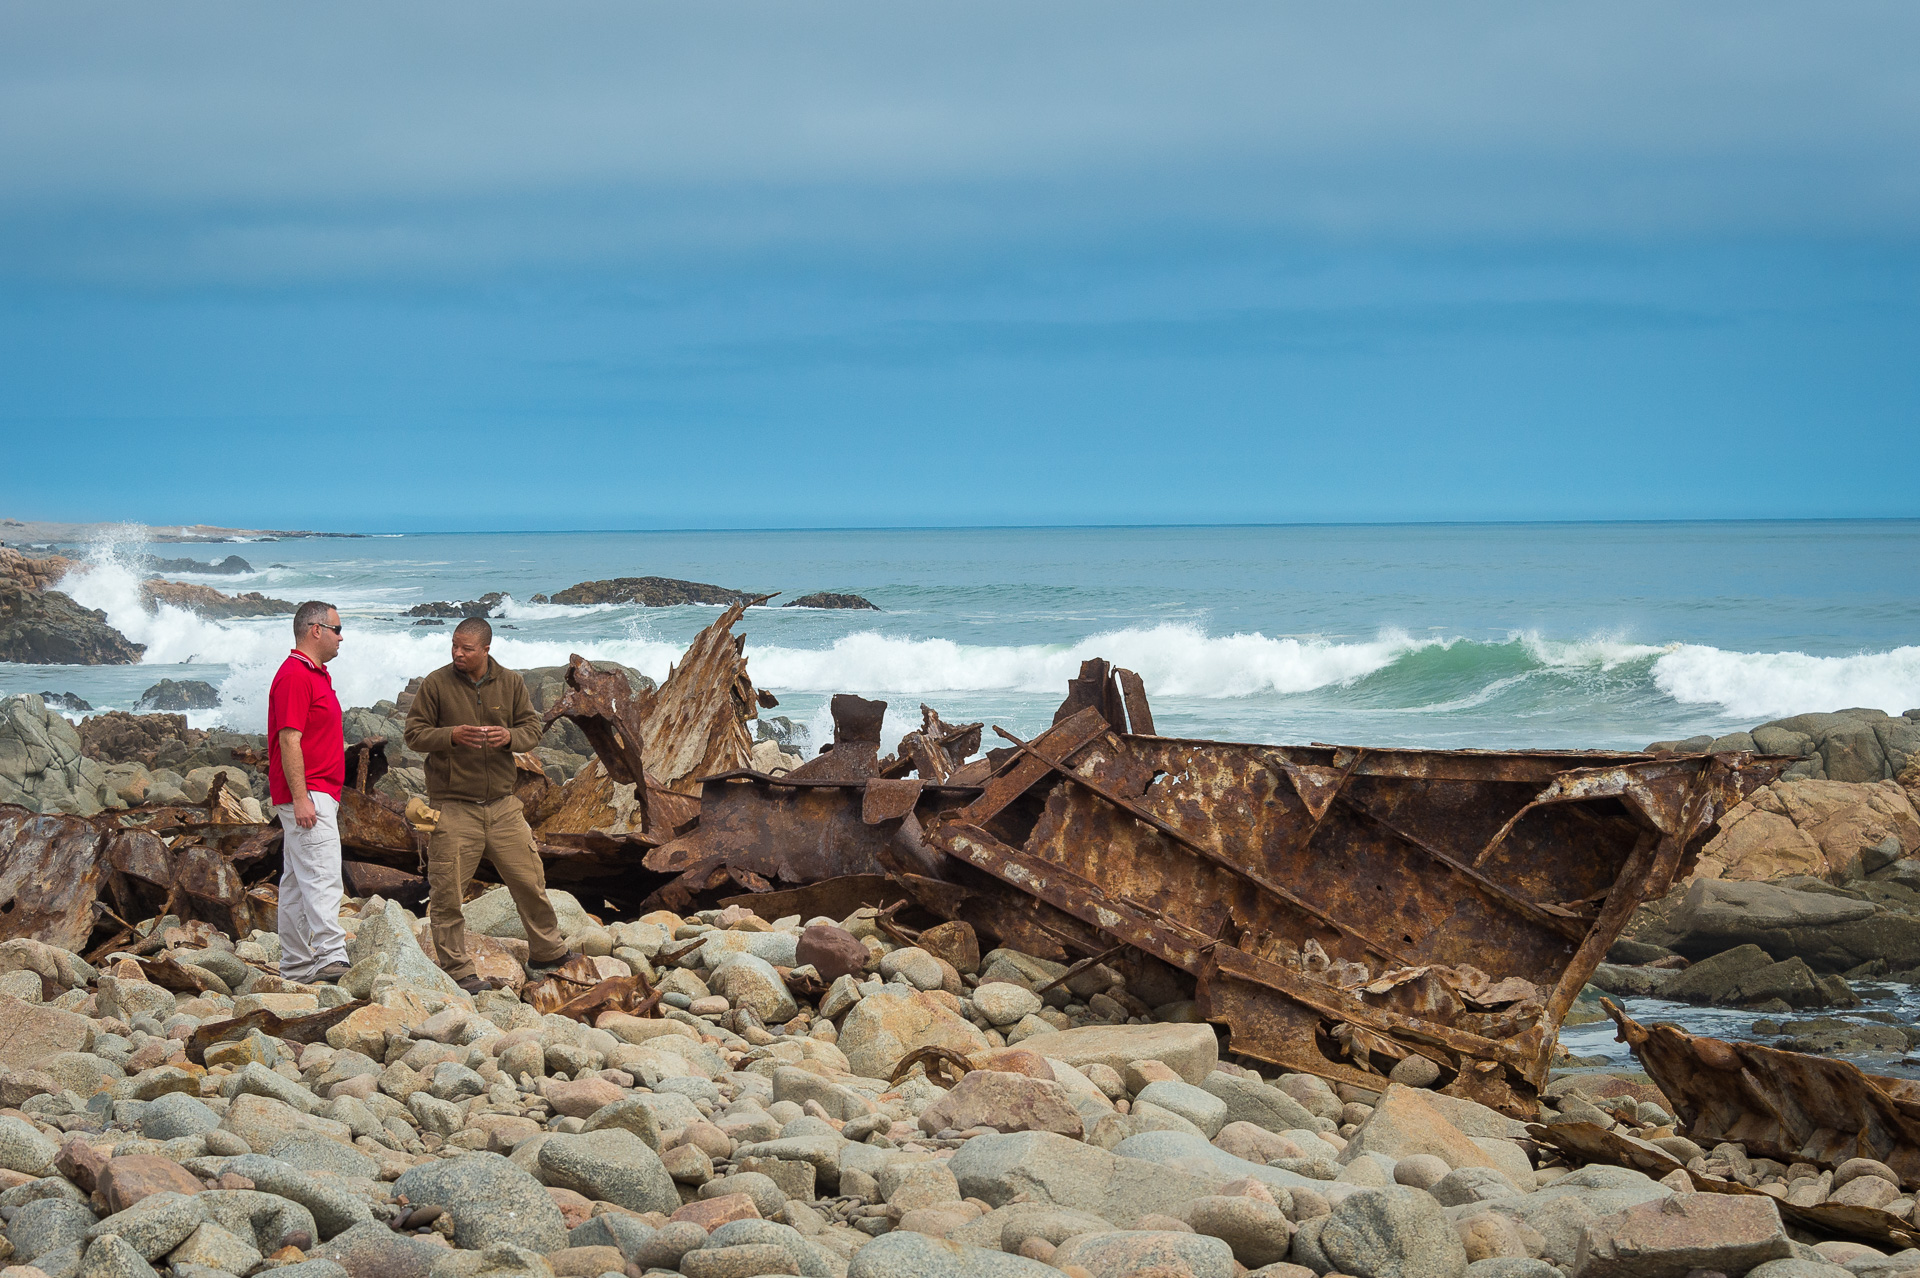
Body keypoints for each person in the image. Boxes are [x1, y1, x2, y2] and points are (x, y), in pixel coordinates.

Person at [405, 617, 579, 992]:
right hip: (453, 805)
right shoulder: (436, 683)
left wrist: (508, 737)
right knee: (448, 891)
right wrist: (451, 735)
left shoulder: (511, 682)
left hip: (502, 805)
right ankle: (458, 971)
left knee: (529, 879)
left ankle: (547, 951)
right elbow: (413, 735)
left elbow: (531, 731)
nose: (458, 653)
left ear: (486, 649)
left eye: (466, 648)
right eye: (454, 646)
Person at [268, 600, 353, 984]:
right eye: (336, 629)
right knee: (321, 871)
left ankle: (298, 964)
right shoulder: (295, 676)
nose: (341, 637)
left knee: (297, 881)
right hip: (310, 792)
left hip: (318, 790)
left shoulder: (315, 674)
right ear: (315, 630)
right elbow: (289, 739)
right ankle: (331, 955)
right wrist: (301, 797)